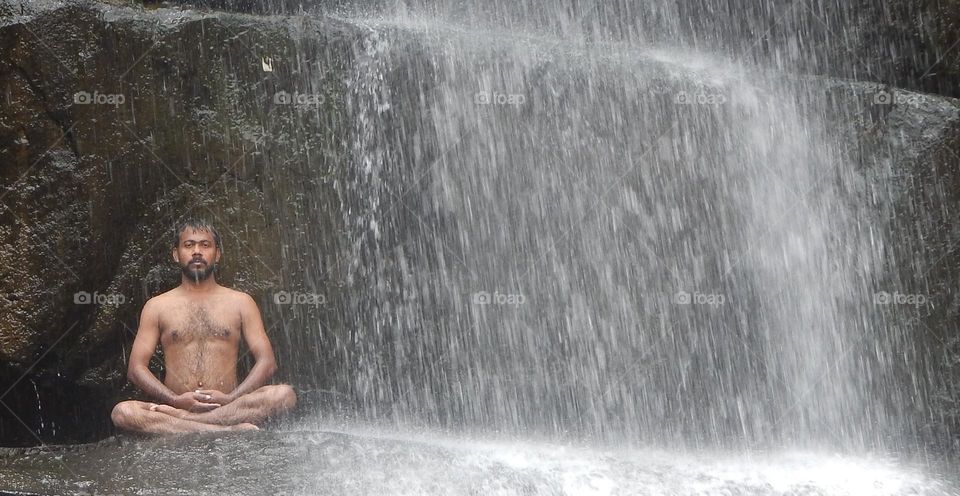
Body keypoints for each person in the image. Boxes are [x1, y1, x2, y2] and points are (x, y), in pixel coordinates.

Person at [111, 219, 296, 434]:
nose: (197, 252)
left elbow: (267, 361)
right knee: (123, 411)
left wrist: (232, 397)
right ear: (175, 254)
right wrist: (175, 400)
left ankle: (186, 424)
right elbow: (136, 368)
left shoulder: (241, 302)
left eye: (205, 245)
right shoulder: (156, 306)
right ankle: (222, 430)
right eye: (188, 245)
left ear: (217, 254)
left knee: (284, 395)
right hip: (177, 405)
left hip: (229, 406)